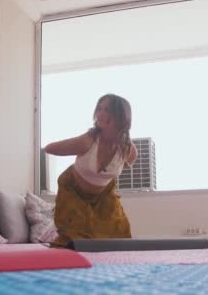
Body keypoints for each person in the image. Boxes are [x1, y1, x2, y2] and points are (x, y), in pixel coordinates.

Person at [44, 94, 138, 247]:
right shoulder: (87, 141)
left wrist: (106, 181)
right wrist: (71, 145)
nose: (100, 113)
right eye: (99, 109)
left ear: (121, 116)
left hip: (103, 195)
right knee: (76, 236)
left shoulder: (127, 149)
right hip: (73, 191)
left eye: (107, 110)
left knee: (119, 231)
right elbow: (49, 148)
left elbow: (124, 165)